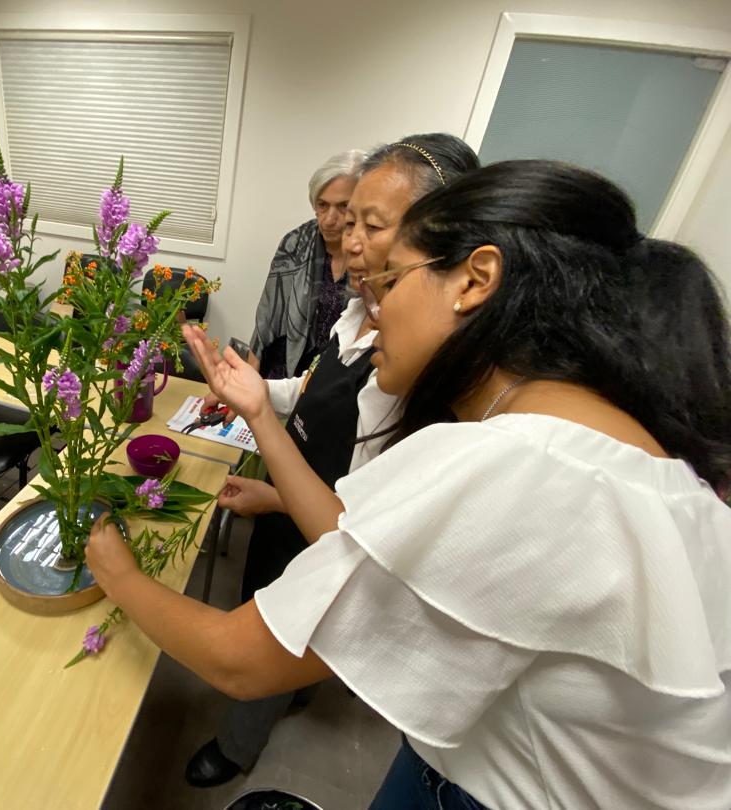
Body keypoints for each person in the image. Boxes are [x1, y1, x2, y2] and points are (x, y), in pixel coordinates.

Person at [87, 160, 731, 808]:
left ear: (475, 280)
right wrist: (259, 409)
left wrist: (116, 571)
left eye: (390, 281)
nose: (376, 308)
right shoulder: (648, 469)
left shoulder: (510, 465)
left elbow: (240, 659)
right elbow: (353, 535)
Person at [185, 135, 480, 788]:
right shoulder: (356, 317)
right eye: (343, 221)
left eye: (367, 224)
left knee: (277, 629)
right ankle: (286, 692)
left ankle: (238, 745)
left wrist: (267, 453)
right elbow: (313, 390)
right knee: (274, 603)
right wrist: (254, 391)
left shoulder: (410, 359)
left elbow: (360, 516)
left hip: (326, 516)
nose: (346, 239)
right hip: (296, 490)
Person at [249, 149, 366, 379]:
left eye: (343, 207)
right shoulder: (295, 244)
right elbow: (267, 317)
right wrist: (249, 377)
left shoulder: (369, 256)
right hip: (284, 370)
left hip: (339, 377)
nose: (330, 219)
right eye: (322, 205)